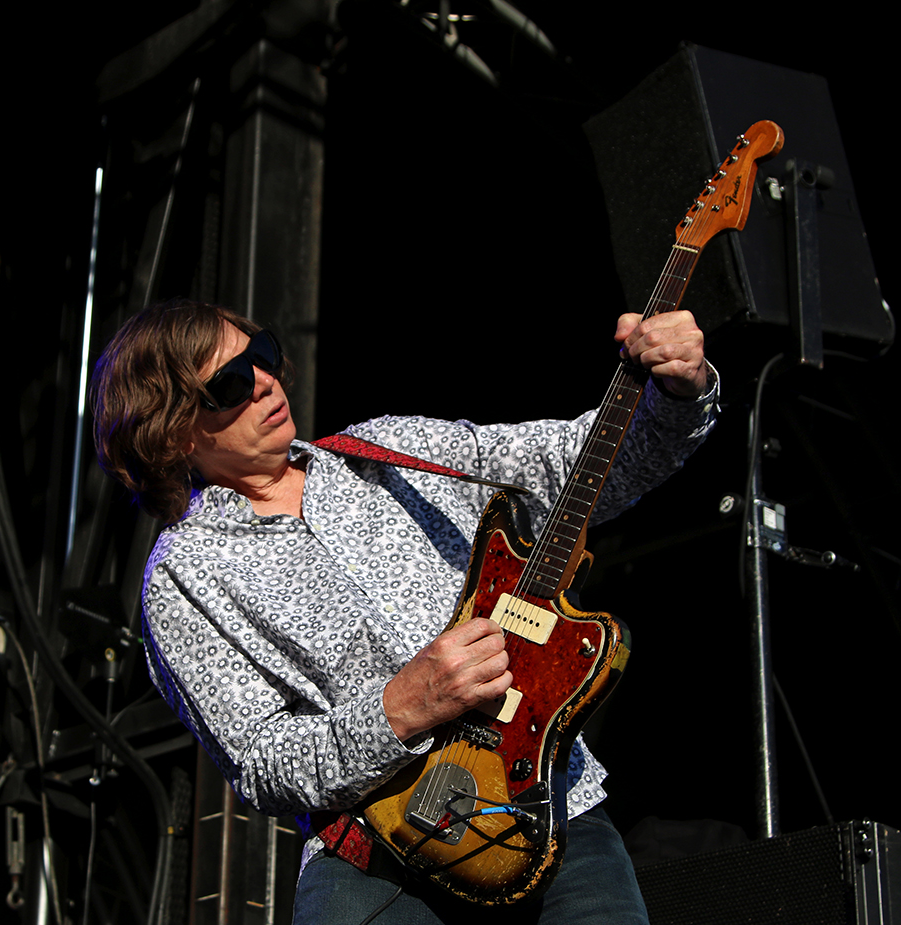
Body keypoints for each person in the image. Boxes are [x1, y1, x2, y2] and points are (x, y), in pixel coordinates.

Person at [92, 298, 718, 925]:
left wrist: (676, 392)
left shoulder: (385, 449)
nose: (262, 382)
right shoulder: (185, 573)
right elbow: (263, 764)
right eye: (229, 384)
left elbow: (572, 465)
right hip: (380, 861)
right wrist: (402, 707)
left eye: (262, 355)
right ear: (173, 433)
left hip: (550, 808)